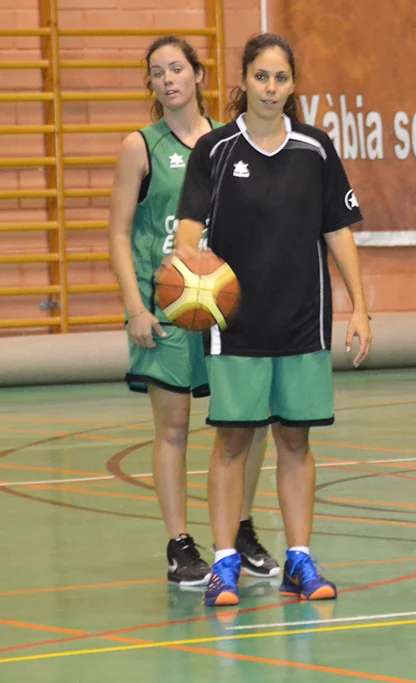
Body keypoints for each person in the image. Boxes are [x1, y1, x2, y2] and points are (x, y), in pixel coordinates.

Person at [174, 33, 372, 606]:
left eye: (280, 78)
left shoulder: (315, 148)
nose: (271, 88)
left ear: (293, 84)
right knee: (232, 443)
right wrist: (187, 269)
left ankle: (300, 559)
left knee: (296, 443)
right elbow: (189, 233)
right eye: (261, 77)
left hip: (303, 323)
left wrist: (360, 306)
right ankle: (224, 562)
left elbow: (338, 231)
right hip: (234, 326)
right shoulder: (214, 150)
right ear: (244, 80)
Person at [108, 35, 278, 587]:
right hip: (166, 307)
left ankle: (242, 529)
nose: (168, 79)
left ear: (199, 74)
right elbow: (117, 232)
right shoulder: (141, 146)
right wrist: (135, 306)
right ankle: (180, 544)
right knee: (174, 427)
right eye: (157, 73)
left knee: (246, 425)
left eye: (176, 68)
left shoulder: (232, 142)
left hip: (226, 306)